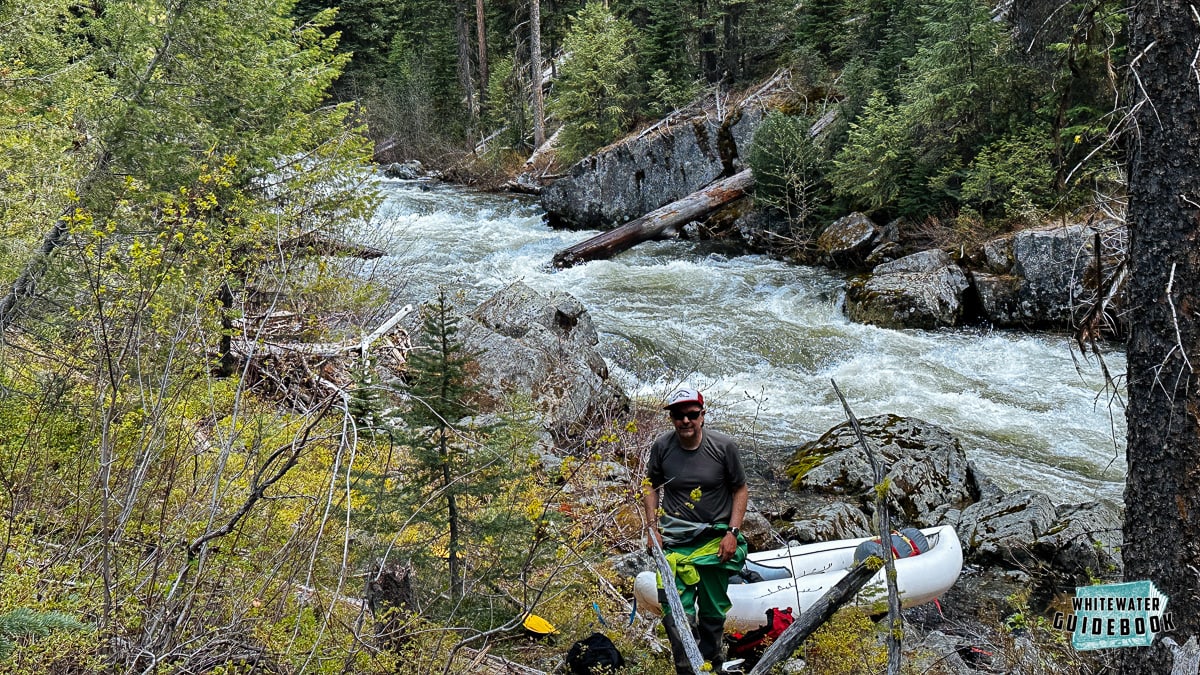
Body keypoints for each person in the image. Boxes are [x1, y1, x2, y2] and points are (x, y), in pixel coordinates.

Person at [643, 386, 749, 674]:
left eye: (691, 414)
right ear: (672, 419)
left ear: (703, 415)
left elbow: (740, 489)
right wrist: (652, 529)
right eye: (678, 415)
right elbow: (650, 485)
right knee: (676, 610)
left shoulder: (723, 447)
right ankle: (687, 669)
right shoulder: (662, 447)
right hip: (675, 540)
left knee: (713, 609)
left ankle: (713, 665)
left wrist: (732, 533)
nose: (685, 421)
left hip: (715, 541)